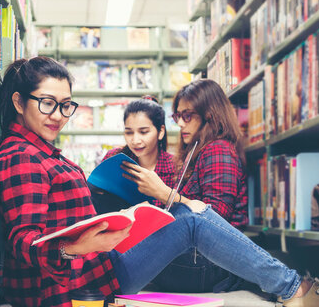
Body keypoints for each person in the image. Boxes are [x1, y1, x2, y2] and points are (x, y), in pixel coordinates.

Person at [0, 57, 319, 307]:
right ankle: (296, 288)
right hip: (76, 283)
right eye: (47, 103)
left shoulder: (40, 150)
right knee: (194, 219)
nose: (58, 115)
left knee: (191, 217)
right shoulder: (21, 155)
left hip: (91, 267)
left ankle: (294, 287)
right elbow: (24, 240)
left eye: (66, 105)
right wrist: (75, 246)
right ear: (18, 101)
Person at [101, 93, 250, 293]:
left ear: (160, 132)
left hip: (172, 250)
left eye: (144, 132)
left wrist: (163, 195)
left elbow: (203, 219)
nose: (135, 140)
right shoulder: (116, 159)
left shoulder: (177, 166)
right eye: (129, 132)